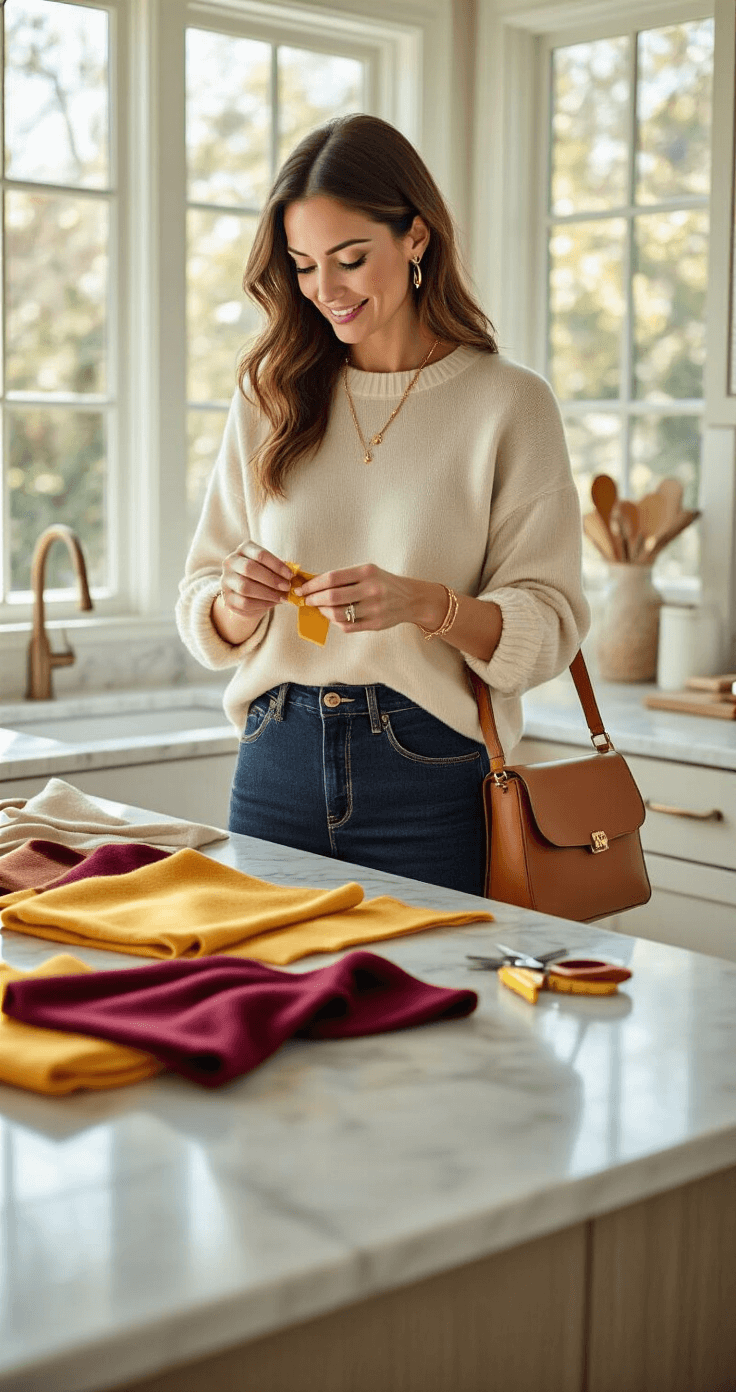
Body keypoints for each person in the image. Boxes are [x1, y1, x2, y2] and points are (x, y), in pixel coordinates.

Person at [176, 114, 590, 896]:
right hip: (274, 755)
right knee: (269, 1000)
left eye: (350, 258)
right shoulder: (269, 394)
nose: (324, 290)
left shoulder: (510, 404)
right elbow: (203, 606)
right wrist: (234, 600)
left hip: (430, 767)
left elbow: (550, 629)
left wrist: (426, 605)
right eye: (302, 266)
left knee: (435, 1010)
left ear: (417, 238)